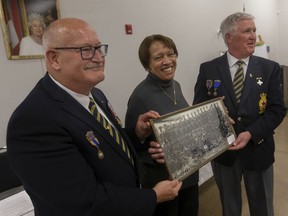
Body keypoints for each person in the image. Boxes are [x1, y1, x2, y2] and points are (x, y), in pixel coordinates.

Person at [7, 18, 182, 216]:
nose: (99, 57)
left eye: (99, 48)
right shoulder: (33, 122)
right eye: (86, 50)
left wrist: (136, 134)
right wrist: (153, 196)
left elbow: (103, 145)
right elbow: (82, 202)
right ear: (54, 58)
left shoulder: (95, 95)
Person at [193, 12, 286, 216]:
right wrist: (215, 115)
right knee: (230, 207)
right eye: (247, 31)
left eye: (254, 30)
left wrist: (251, 133)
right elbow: (199, 108)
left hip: (258, 149)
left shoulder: (269, 68)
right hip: (225, 153)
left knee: (262, 207)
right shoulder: (208, 69)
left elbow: (277, 109)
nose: (253, 36)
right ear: (229, 37)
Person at [125, 34, 199, 216]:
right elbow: (132, 146)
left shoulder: (176, 86)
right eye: (159, 57)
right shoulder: (140, 97)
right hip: (162, 184)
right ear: (147, 65)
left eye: (171, 54)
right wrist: (155, 154)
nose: (167, 61)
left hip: (188, 176)